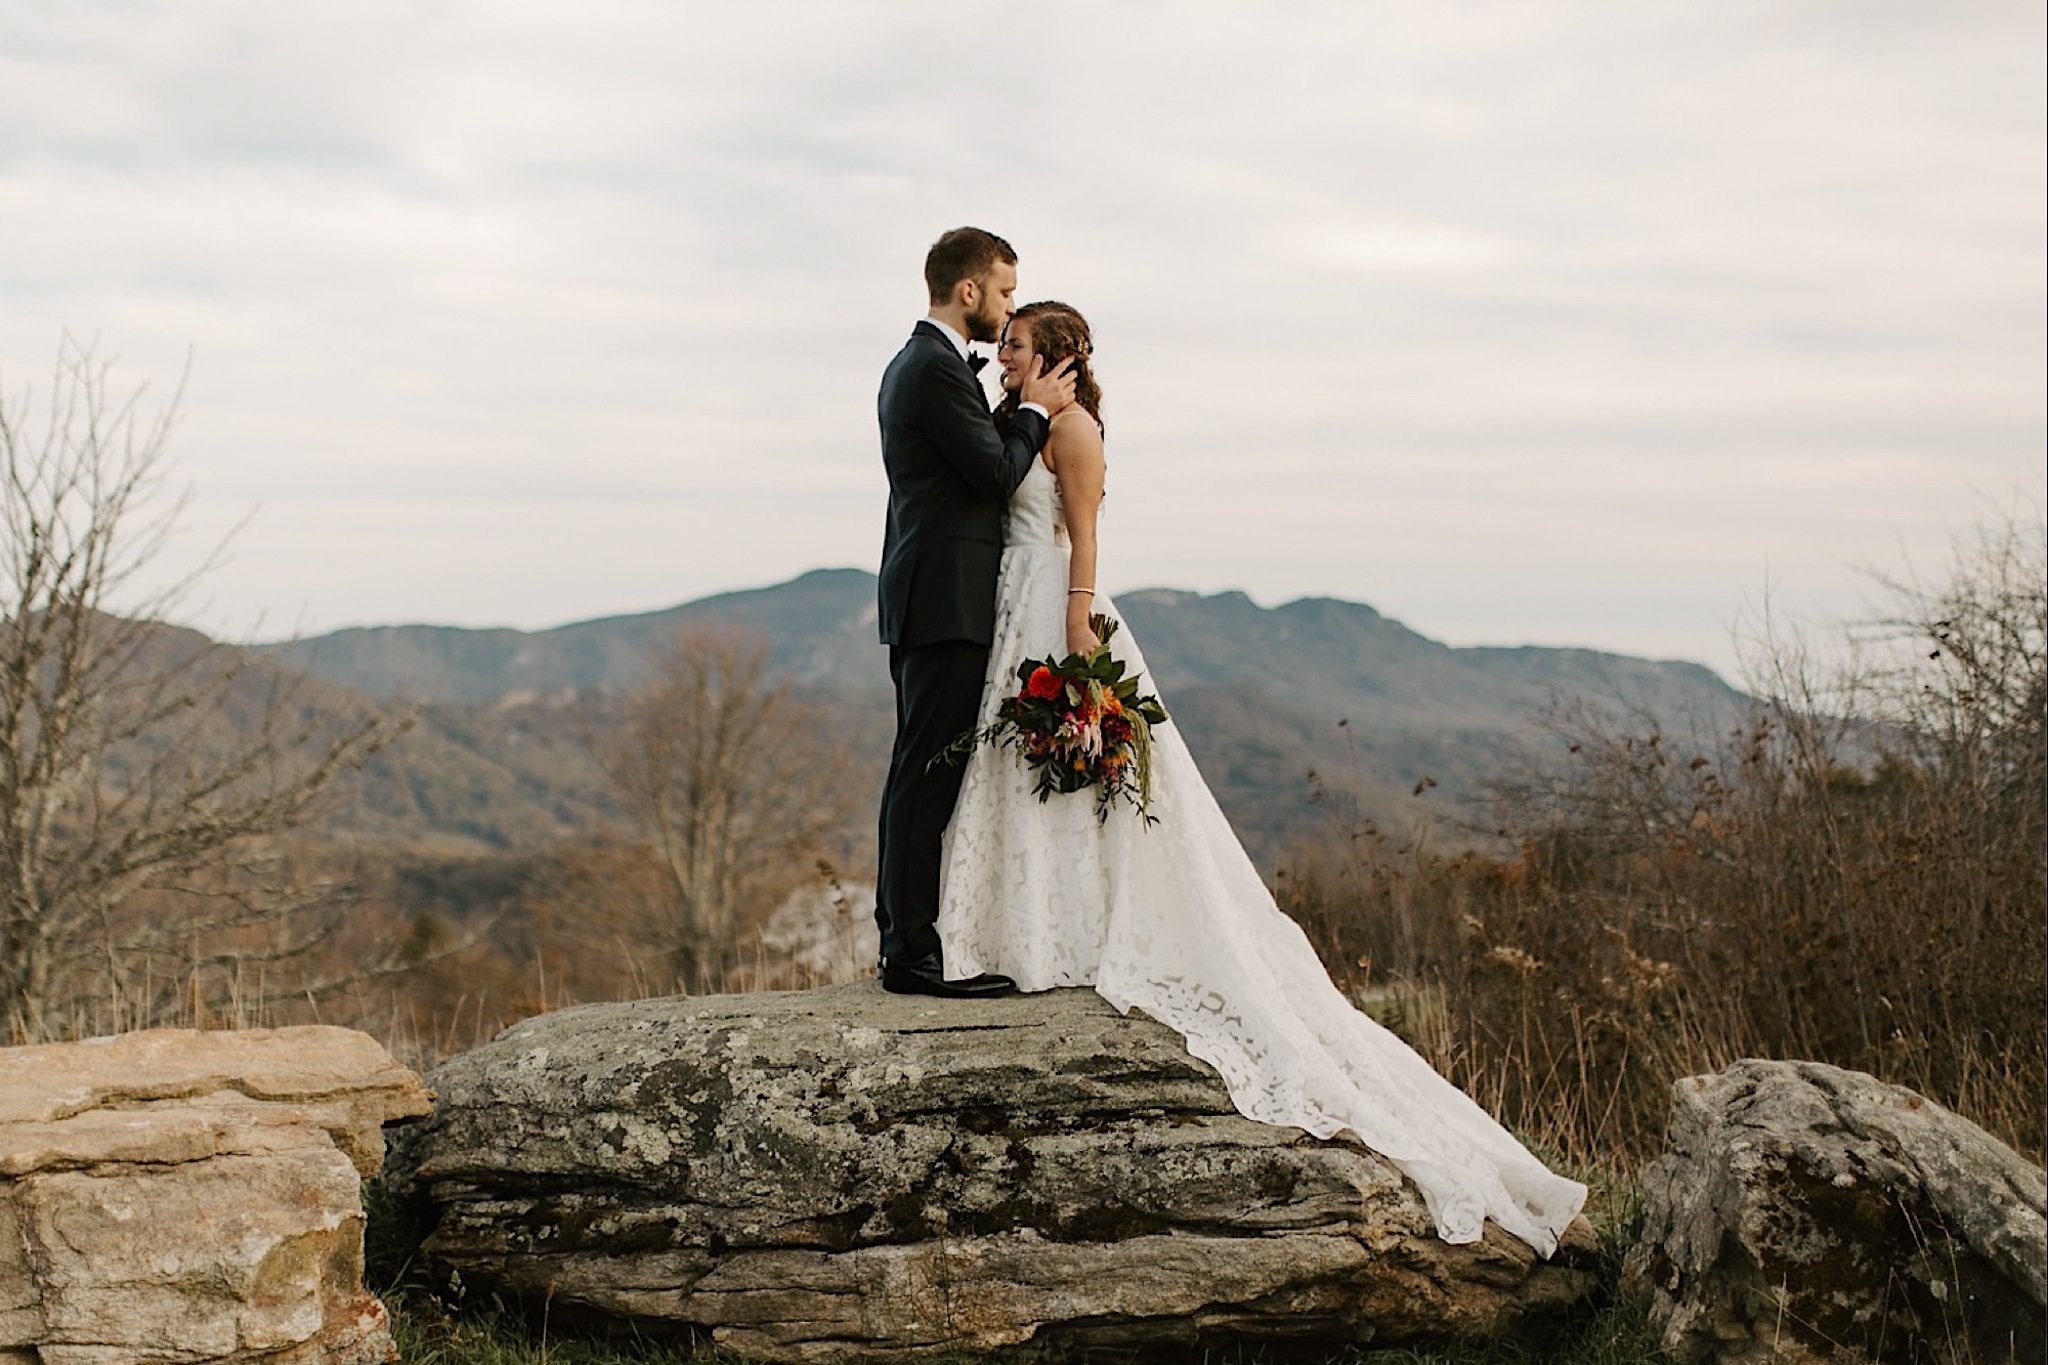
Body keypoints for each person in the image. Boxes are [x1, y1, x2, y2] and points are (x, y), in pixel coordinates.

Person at [935, 301, 1590, 1256]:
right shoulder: (1022, 425)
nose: (1004, 359)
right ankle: (1015, 928)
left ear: (1059, 356)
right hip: (1009, 604)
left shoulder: (1073, 430)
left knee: (1078, 775)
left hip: (1054, 606)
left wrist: (1077, 624)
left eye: (1018, 348)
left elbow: (1084, 536)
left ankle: (1067, 929)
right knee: (1023, 773)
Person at [874, 228, 1075, 999]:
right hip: (945, 599)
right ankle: (912, 958)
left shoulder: (921, 364)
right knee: (927, 780)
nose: (1008, 305)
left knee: (917, 775)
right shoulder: (931, 367)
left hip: (931, 594)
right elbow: (994, 475)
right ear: (969, 291)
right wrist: (1034, 412)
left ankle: (905, 944)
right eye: (1004, 291)